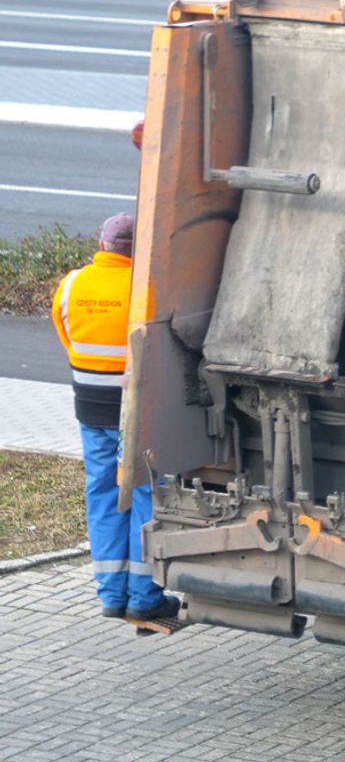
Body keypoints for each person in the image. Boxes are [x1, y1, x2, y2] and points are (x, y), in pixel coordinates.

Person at [51, 214, 179, 622]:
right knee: (143, 494)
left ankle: (110, 593)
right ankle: (144, 597)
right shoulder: (145, 288)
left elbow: (67, 337)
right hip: (135, 410)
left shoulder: (71, 285)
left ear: (101, 244)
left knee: (103, 493)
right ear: (136, 248)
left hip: (90, 407)